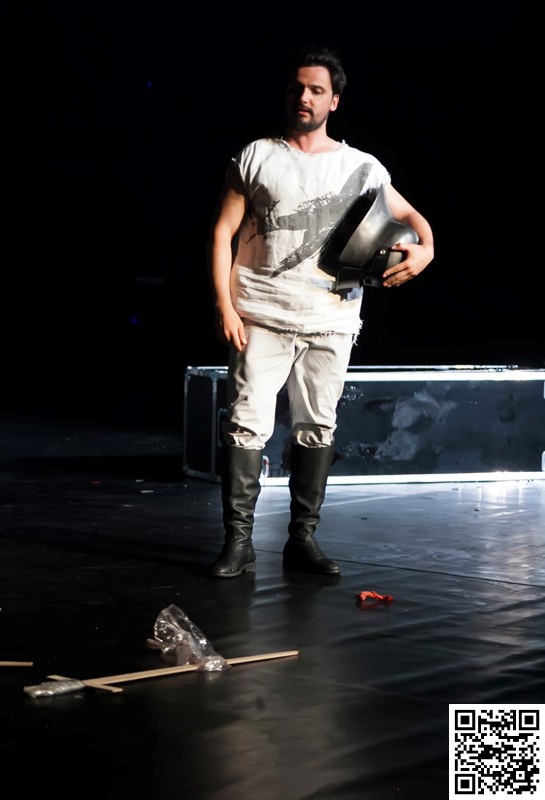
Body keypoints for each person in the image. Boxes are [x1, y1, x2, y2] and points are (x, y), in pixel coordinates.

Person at [207, 44, 434, 579]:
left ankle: (302, 539)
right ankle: (238, 542)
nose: (304, 97)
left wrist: (425, 250)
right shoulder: (257, 156)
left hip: (331, 317)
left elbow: (413, 219)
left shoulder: (362, 167)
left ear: (334, 101)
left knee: (316, 426)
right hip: (261, 313)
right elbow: (222, 232)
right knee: (245, 425)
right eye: (297, 88)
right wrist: (224, 305)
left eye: (316, 90)